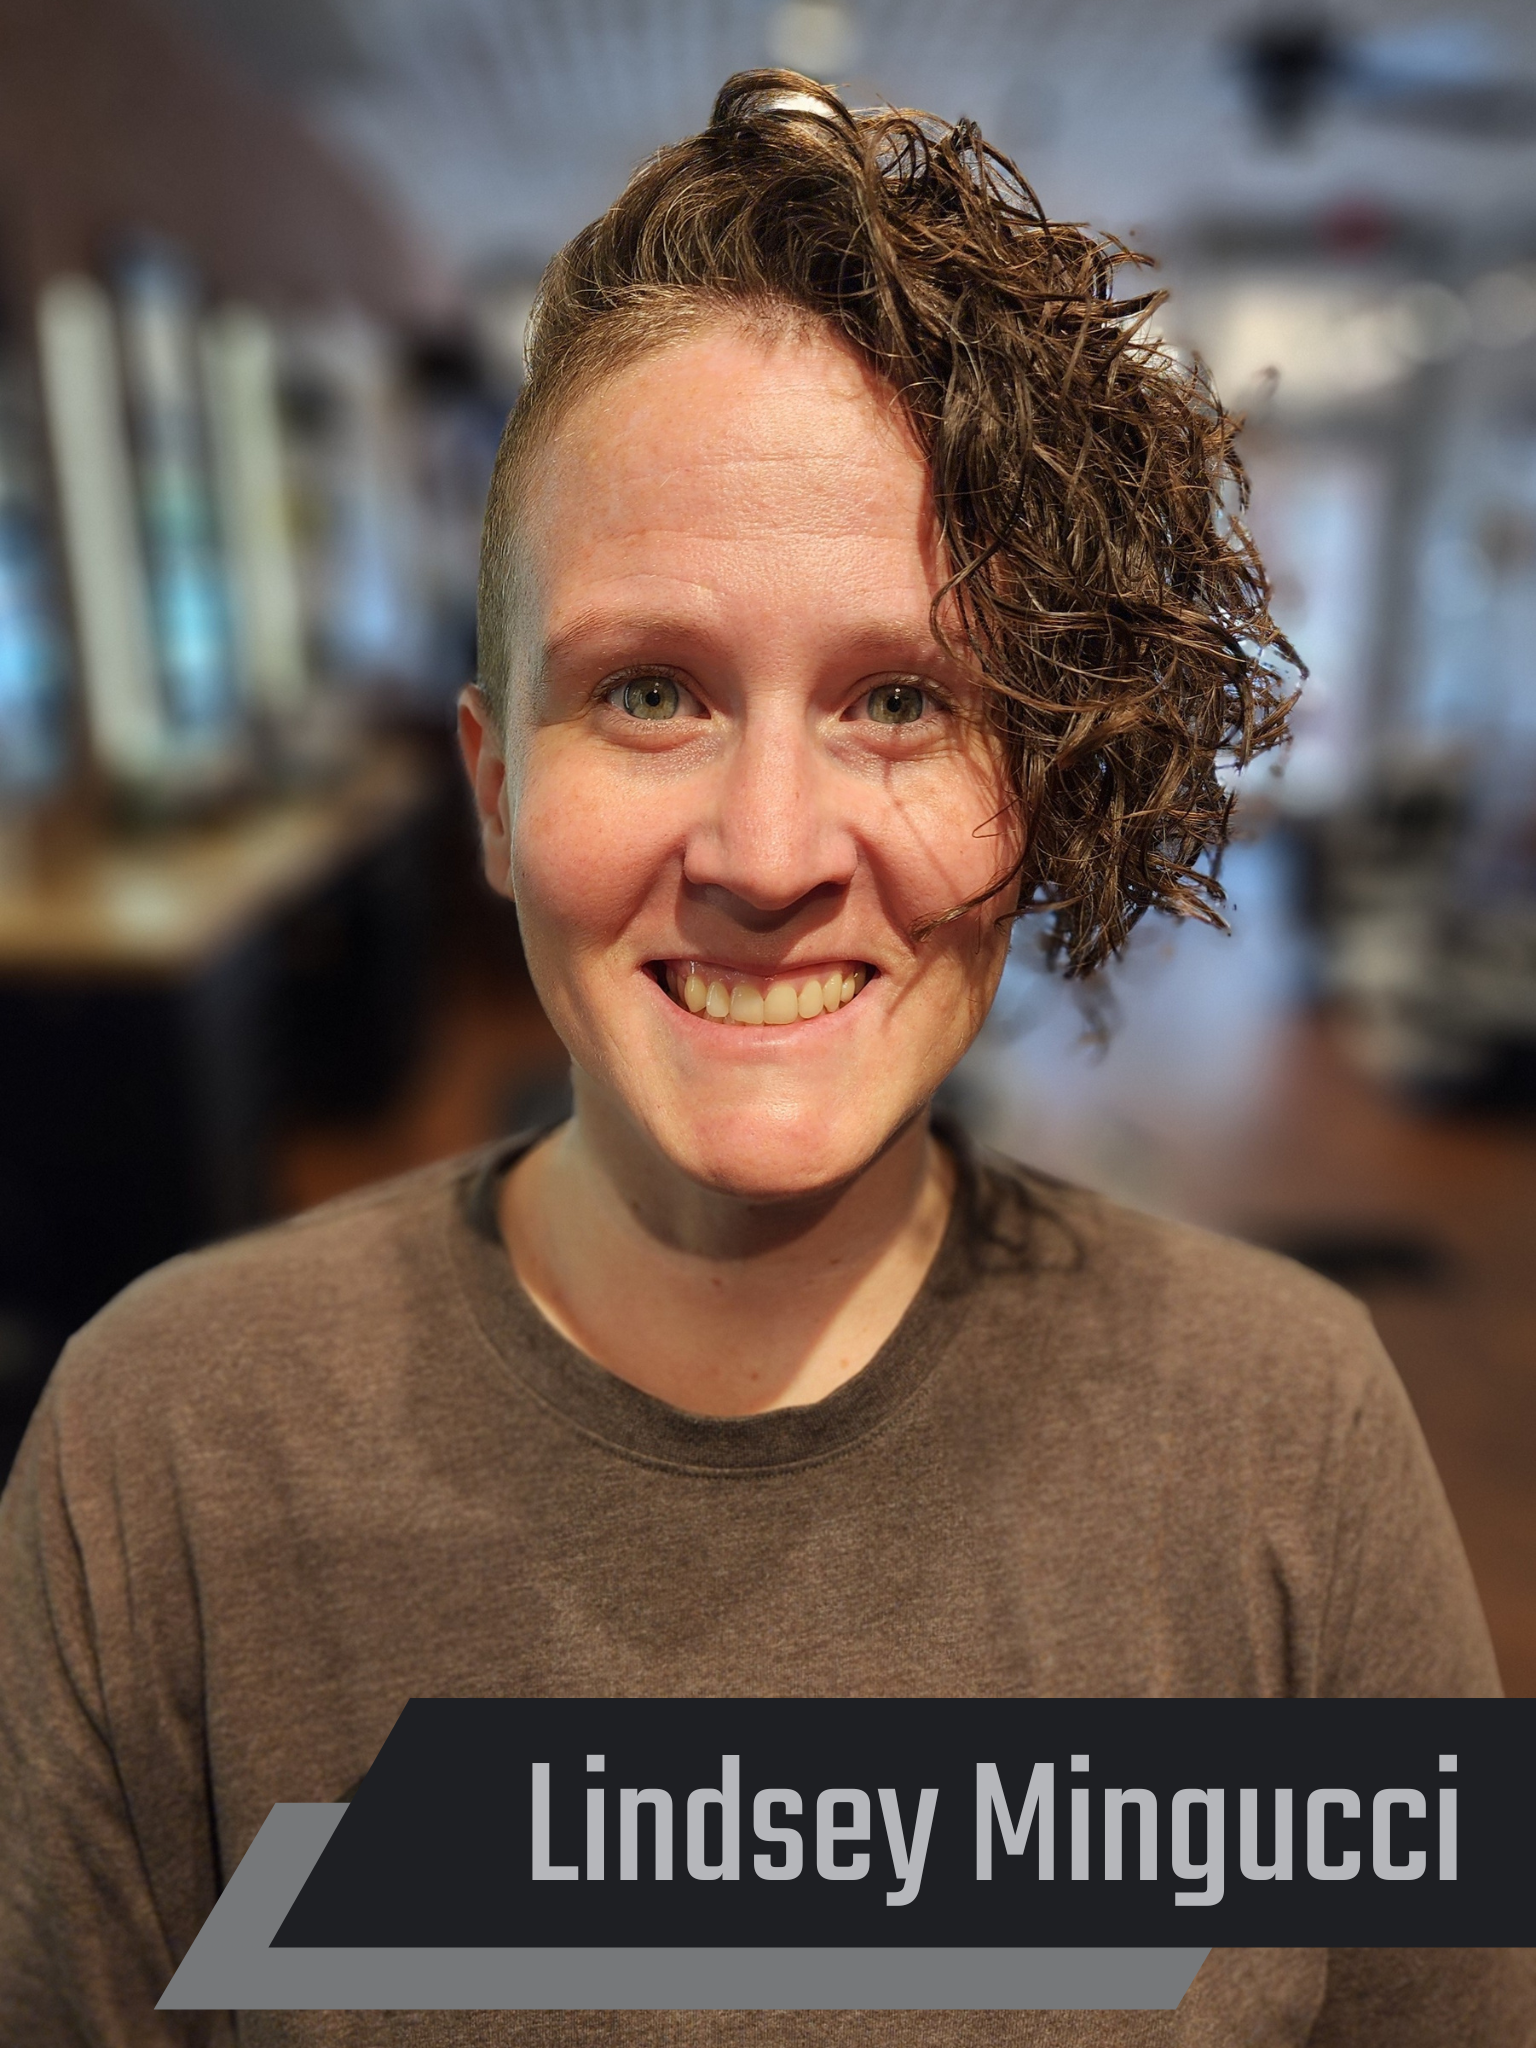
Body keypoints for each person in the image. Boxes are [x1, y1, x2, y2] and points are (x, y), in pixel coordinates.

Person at [0, 67, 1529, 2048]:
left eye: (904, 699)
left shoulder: (1285, 1432)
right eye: (651, 691)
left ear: (1038, 781)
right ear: (493, 789)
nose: (771, 851)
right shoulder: (169, 1456)